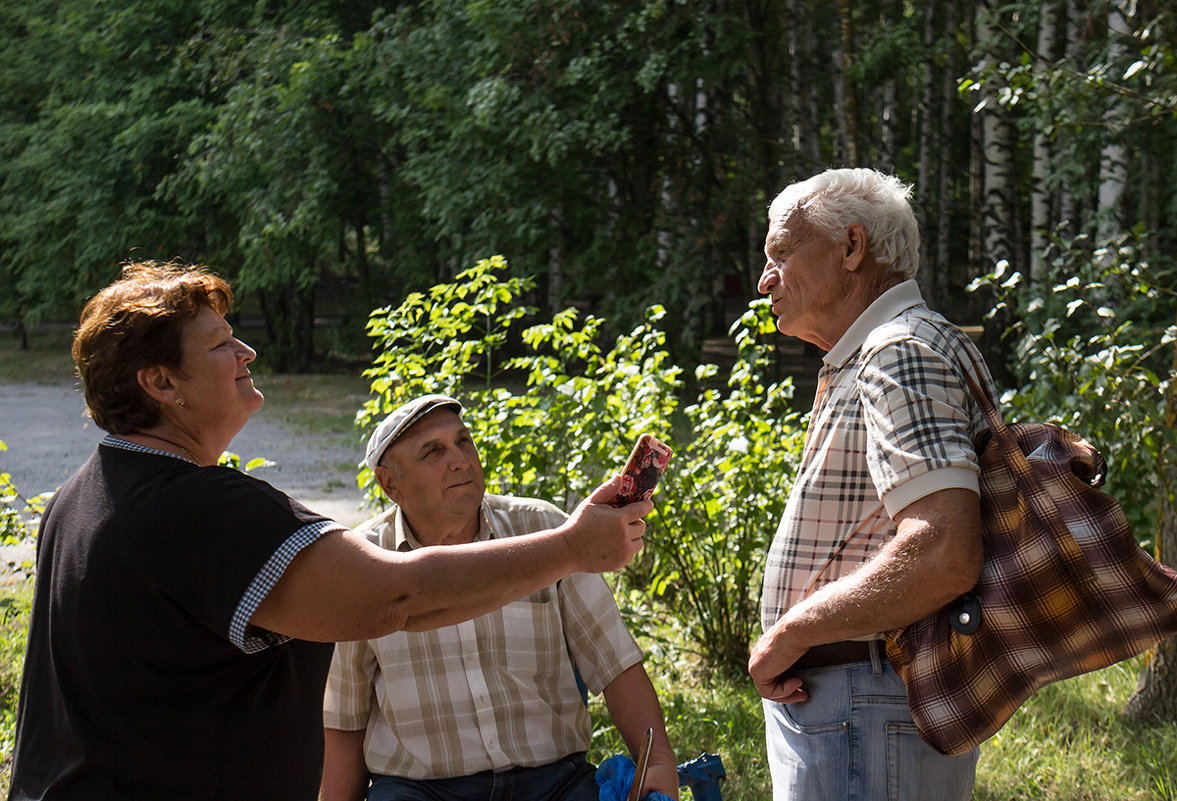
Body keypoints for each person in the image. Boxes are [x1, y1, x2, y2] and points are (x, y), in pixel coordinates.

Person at [7, 262, 651, 801]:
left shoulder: (83, 495)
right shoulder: (202, 509)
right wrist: (571, 547)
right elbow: (393, 598)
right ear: (161, 382)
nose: (246, 352)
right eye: (219, 344)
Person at [747, 168, 994, 800]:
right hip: (863, 708)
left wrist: (790, 633)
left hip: (865, 706)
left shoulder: (898, 353)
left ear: (852, 247)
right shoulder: (892, 348)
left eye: (781, 254)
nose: (764, 280)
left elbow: (944, 551)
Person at [320, 395, 679, 801]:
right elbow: (343, 717)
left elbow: (616, 666)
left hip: (553, 782)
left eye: (463, 442)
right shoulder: (365, 567)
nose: (460, 460)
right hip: (421, 790)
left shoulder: (545, 531)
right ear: (390, 484)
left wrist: (660, 761)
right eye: (433, 451)